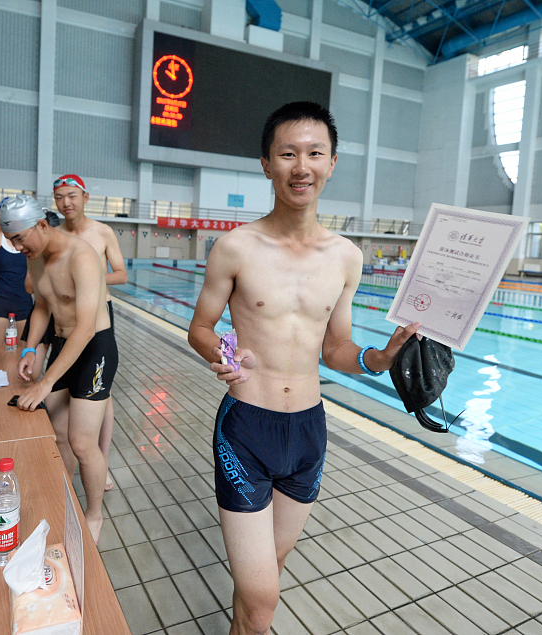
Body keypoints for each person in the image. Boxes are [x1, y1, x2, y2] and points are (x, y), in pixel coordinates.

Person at [187, 101, 419, 635]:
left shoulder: (345, 256)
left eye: (314, 153)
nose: (301, 166)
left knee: (263, 585)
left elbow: (336, 346)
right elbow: (200, 327)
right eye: (287, 154)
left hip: (309, 431)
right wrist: (221, 353)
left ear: (332, 162)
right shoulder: (236, 247)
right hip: (246, 428)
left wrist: (377, 359)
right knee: (264, 598)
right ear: (266, 164)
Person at [3, 195, 116, 544]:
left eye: (21, 238)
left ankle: (94, 514)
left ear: (41, 224)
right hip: (66, 347)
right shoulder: (35, 257)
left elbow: (85, 326)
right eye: (12, 241)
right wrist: (30, 348)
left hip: (94, 349)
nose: (18, 247)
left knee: (83, 443)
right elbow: (41, 306)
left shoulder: (81, 256)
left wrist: (45, 382)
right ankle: (62, 495)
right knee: (59, 433)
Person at [53, 174, 128, 491]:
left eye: (72, 195)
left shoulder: (102, 232)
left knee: (102, 396)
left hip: (99, 317)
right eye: (59, 197)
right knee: (70, 400)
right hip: (66, 319)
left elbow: (121, 274)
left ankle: (101, 462)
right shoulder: (53, 235)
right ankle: (74, 466)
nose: (66, 202)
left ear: (84, 197)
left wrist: (89, 280)